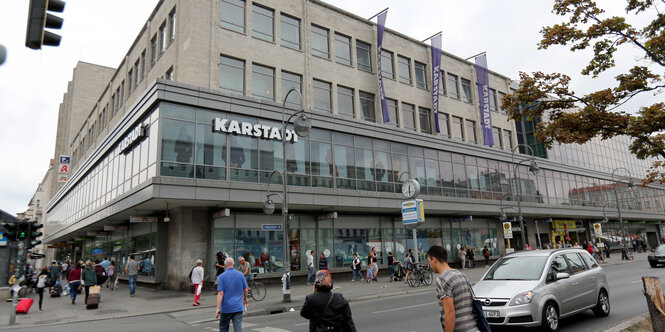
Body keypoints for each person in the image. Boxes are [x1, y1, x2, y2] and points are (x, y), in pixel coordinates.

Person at [427, 245, 480, 332]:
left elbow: (450, 313)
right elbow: (471, 300)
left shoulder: (442, 279)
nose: (430, 265)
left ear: (434, 260)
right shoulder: (461, 274)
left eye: (429, 262)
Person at [215, 257, 248, 332]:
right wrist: (245, 300)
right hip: (238, 307)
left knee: (223, 328)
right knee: (238, 328)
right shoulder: (240, 275)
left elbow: (220, 293)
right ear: (234, 264)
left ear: (225, 265)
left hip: (226, 308)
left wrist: (218, 309)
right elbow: (245, 290)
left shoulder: (222, 277)